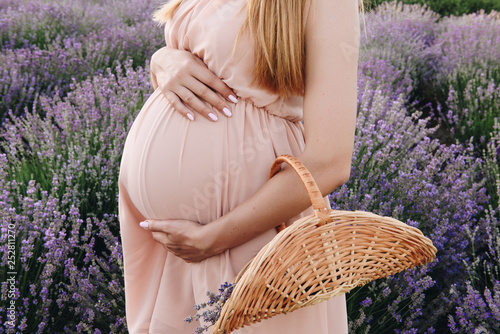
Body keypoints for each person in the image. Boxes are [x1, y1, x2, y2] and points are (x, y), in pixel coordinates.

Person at [118, 0, 360, 333]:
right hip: (174, 250)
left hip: (248, 236)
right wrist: (163, 60)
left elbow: (329, 162)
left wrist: (211, 239)